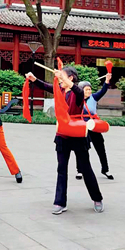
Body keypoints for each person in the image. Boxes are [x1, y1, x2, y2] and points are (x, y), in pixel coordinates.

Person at [26, 67, 104, 214]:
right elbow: (47, 86)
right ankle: (60, 202)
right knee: (61, 169)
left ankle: (97, 198)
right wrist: (33, 79)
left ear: (71, 78)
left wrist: (63, 78)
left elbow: (77, 91)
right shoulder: (60, 91)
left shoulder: (78, 92)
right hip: (62, 134)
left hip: (78, 132)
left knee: (85, 168)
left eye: (62, 77)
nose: (59, 79)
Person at [78, 78, 114, 180]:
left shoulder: (94, 97)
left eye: (90, 89)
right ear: (81, 90)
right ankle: (80, 171)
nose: (89, 91)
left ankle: (105, 169)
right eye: (86, 89)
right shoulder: (76, 99)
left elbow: (103, 91)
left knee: (101, 148)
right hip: (82, 127)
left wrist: (107, 81)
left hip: (94, 125)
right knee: (82, 149)